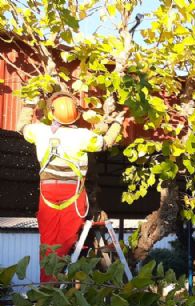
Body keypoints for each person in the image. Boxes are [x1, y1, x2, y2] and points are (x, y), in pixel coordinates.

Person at [16, 92, 123, 282]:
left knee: (48, 241)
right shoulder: (83, 136)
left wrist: (29, 105)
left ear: (52, 113)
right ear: (76, 115)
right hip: (72, 193)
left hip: (47, 191)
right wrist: (117, 124)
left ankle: (47, 285)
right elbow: (106, 143)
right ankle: (59, 283)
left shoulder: (40, 131)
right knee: (66, 239)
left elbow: (21, 127)